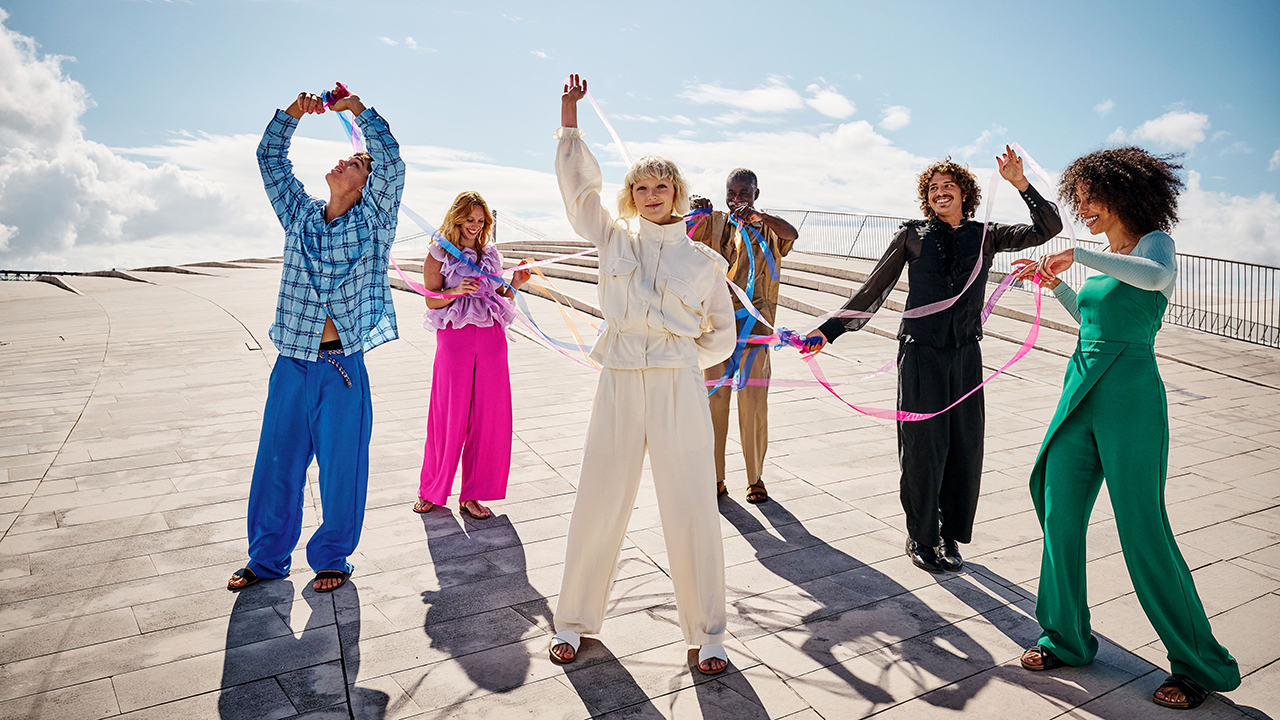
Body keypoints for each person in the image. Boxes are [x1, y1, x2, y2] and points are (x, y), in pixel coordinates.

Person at [1012, 147, 1240, 710]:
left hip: (1131, 395)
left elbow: (1155, 278)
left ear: (1122, 196)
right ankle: (1066, 636)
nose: (1083, 209)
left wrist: (1081, 257)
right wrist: (1056, 285)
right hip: (1080, 386)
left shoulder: (1152, 242)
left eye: (1090, 199)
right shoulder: (1105, 257)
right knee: (1057, 511)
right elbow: (1095, 320)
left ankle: (1197, 664)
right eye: (1080, 200)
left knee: (1142, 528)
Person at [548, 75, 736, 675]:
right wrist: (569, 119)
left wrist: (679, 358)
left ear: (677, 192)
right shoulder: (612, 237)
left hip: (679, 386)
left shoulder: (705, 261)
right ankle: (573, 621)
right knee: (600, 495)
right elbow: (581, 195)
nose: (651, 194)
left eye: (662, 186)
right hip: (621, 379)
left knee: (690, 503)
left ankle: (708, 633)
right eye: (641, 186)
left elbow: (723, 338)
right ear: (631, 193)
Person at [805, 150, 1062, 574]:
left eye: (948, 186)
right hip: (920, 353)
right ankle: (921, 536)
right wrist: (827, 331)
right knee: (924, 447)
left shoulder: (986, 235)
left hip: (965, 355)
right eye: (933, 188)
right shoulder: (912, 235)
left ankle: (949, 536)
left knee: (964, 445)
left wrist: (1020, 183)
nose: (940, 192)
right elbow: (872, 291)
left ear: (965, 193)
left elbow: (1047, 228)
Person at [227, 85, 404, 594]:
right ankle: (266, 558)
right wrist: (292, 114)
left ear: (367, 183)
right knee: (275, 463)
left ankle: (332, 557)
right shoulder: (300, 217)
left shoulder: (373, 223)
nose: (342, 161)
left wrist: (356, 110)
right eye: (345, 157)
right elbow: (270, 159)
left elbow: (391, 162)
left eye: (354, 161)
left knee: (341, 468)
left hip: (342, 368)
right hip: (291, 364)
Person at [413, 191, 530, 520]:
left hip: (492, 338)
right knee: (448, 415)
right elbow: (430, 300)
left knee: (490, 418)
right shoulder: (439, 253)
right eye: (469, 220)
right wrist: (454, 291)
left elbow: (500, 297)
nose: (475, 226)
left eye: (480, 221)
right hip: (455, 339)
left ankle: (474, 494)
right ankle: (431, 489)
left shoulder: (492, 255)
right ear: (457, 218)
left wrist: (516, 283)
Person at [690, 170, 798, 504]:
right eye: (732, 191)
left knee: (753, 405)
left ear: (756, 193)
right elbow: (683, 240)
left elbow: (791, 233)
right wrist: (695, 212)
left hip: (756, 332)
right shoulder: (716, 222)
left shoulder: (766, 224)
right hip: (716, 329)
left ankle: (755, 478)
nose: (737, 197)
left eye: (744, 192)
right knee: (713, 405)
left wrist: (759, 216)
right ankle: (715, 477)